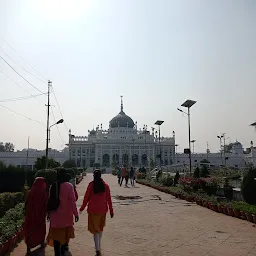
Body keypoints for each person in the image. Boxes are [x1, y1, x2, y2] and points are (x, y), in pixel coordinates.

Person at [80, 169, 114, 256]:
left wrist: (82, 208)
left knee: (95, 230)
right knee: (100, 228)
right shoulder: (105, 185)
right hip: (103, 210)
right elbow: (109, 199)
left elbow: (86, 198)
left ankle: (97, 249)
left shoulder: (91, 185)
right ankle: (98, 246)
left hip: (93, 211)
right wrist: (111, 210)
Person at [47, 169, 79, 256]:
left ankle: (57, 253)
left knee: (56, 237)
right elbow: (72, 201)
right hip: (66, 217)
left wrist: (48, 213)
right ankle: (63, 250)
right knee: (65, 236)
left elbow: (50, 201)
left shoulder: (53, 186)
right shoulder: (69, 186)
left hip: (55, 217)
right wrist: (76, 214)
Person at [24, 177, 49, 255]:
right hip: (40, 216)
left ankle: (28, 248)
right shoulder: (44, 193)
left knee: (30, 230)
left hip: (30, 216)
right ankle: (41, 243)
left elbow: (26, 203)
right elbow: (46, 204)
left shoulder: (30, 192)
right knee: (40, 229)